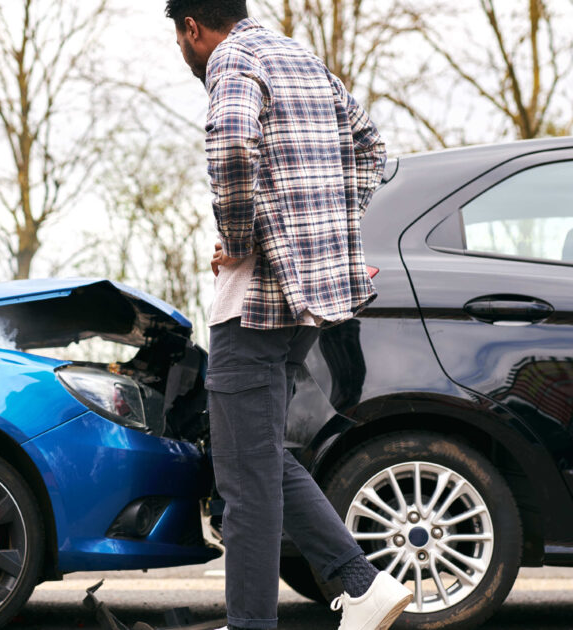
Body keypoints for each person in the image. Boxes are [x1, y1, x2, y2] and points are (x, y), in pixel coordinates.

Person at [165, 1, 412, 629]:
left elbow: (230, 147)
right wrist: (327, 234)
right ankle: (361, 586)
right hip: (309, 297)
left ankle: (253, 624)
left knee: (243, 477)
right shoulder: (301, 57)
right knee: (257, 456)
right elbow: (370, 145)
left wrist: (242, 241)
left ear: (192, 27)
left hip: (256, 303)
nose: (184, 52)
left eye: (179, 38)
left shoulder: (233, 59)